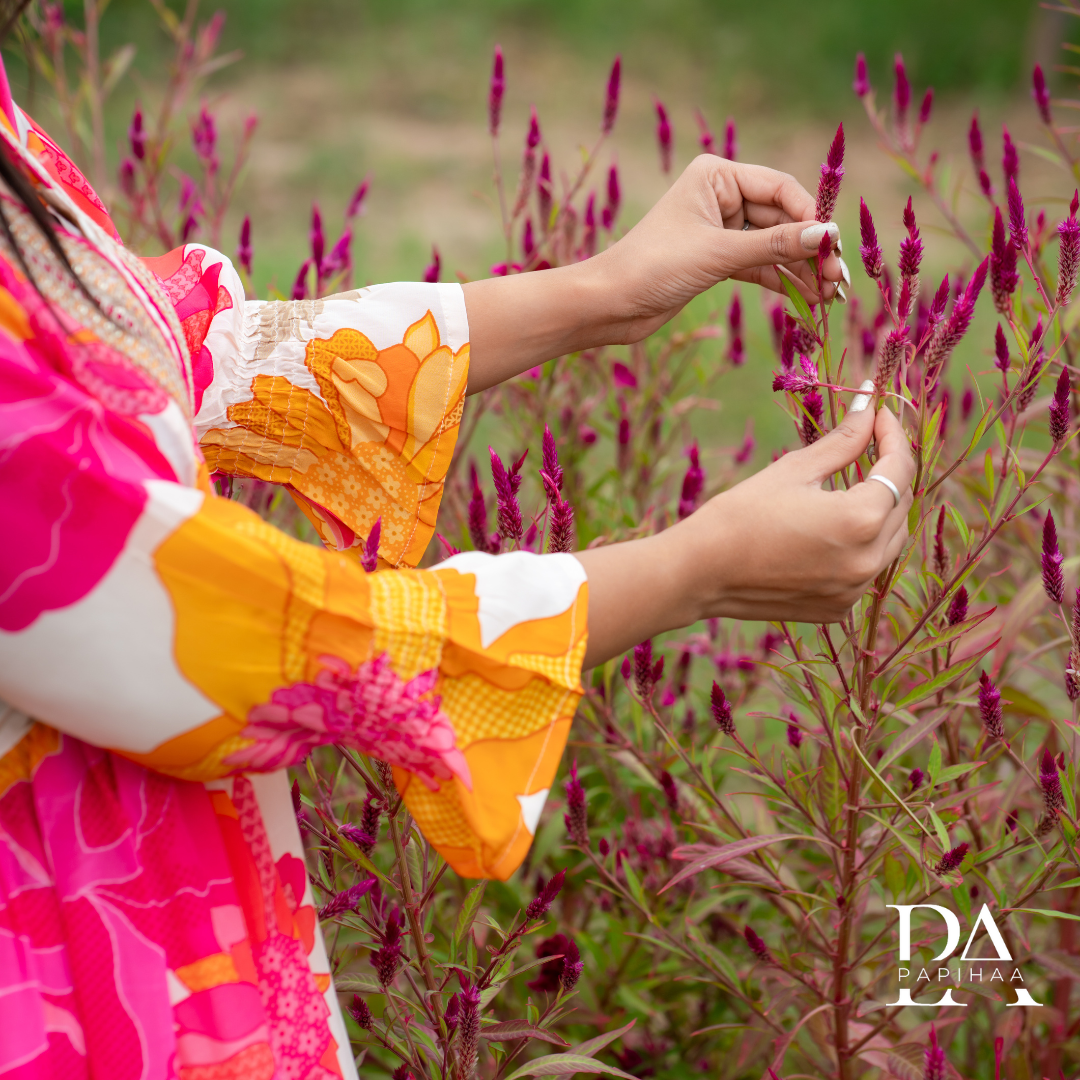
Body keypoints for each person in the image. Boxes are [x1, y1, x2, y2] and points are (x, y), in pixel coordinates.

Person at [0, 47, 913, 1080]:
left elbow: (157, 349)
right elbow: (223, 632)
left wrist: (601, 293)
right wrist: (693, 570)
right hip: (71, 992)